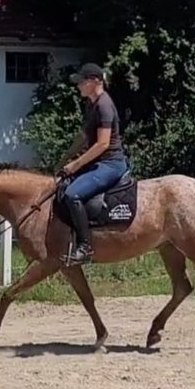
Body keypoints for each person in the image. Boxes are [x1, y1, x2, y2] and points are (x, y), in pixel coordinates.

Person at [55, 63, 130, 265]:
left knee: (73, 194)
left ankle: (85, 247)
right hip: (99, 162)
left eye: (82, 81)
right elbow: (83, 136)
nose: (78, 85)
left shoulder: (104, 105)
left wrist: (75, 164)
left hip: (111, 164)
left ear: (95, 81)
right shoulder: (91, 104)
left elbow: (103, 144)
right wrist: (65, 158)